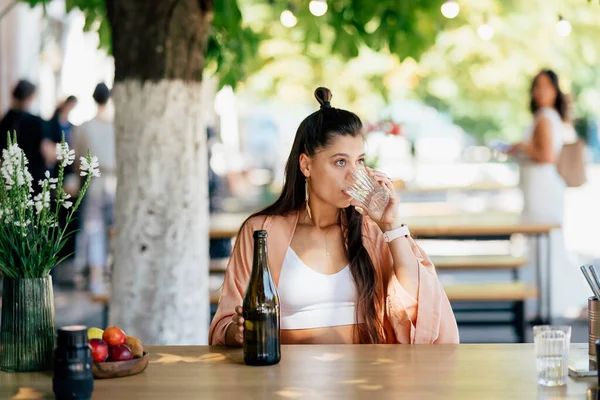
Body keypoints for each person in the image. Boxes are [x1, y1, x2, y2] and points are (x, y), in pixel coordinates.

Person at [209, 87, 459, 345]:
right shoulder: (262, 231)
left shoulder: (371, 232)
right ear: (306, 165)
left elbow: (418, 306)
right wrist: (237, 332)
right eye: (340, 162)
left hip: (367, 379)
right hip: (285, 381)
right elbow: (226, 323)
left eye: (359, 161)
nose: (353, 174)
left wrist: (392, 226)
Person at [508, 69, 587, 319]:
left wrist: (522, 147)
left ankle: (551, 301)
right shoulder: (547, 117)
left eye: (546, 86)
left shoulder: (545, 117)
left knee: (545, 245)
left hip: (543, 189)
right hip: (539, 189)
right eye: (537, 86)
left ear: (555, 91)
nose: (540, 91)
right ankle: (543, 301)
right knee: (542, 246)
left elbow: (547, 156)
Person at [73, 83, 116, 294]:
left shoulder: (84, 127)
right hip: (116, 183)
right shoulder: (117, 125)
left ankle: (96, 279)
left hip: (95, 182)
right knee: (115, 232)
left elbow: (77, 160)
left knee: (95, 231)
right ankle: (113, 276)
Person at [0, 79, 51, 186]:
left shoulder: (5, 120)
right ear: (31, 96)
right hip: (33, 177)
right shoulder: (36, 121)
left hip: (9, 177)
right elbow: (46, 152)